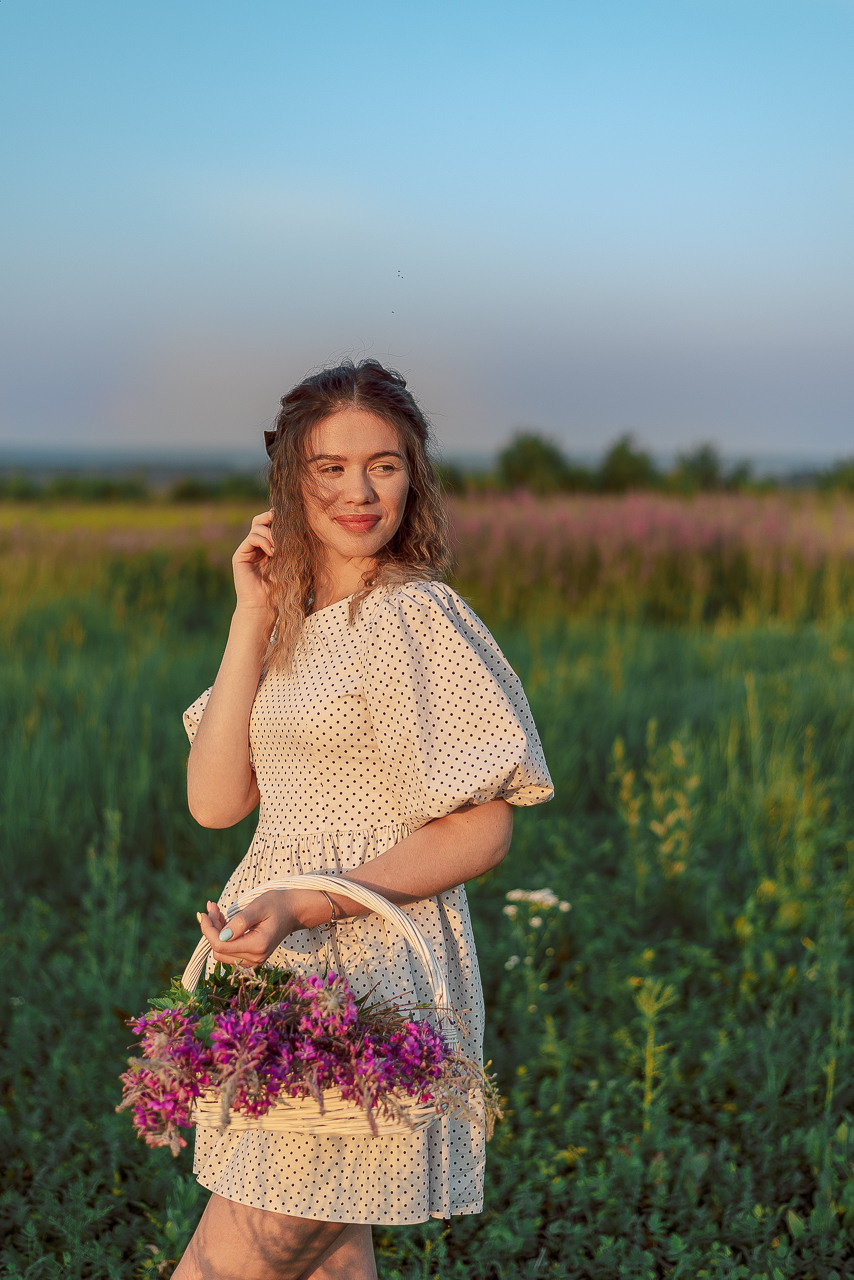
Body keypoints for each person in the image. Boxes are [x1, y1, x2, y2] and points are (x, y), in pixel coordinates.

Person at [174, 359, 553, 1280]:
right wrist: (252, 615)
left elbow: (485, 828)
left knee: (237, 1259)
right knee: (325, 1258)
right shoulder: (290, 623)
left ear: (412, 476)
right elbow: (216, 803)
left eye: (384, 465)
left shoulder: (413, 615)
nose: (359, 492)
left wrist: (309, 901)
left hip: (369, 971)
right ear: (290, 481)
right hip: (277, 966)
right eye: (330, 468)